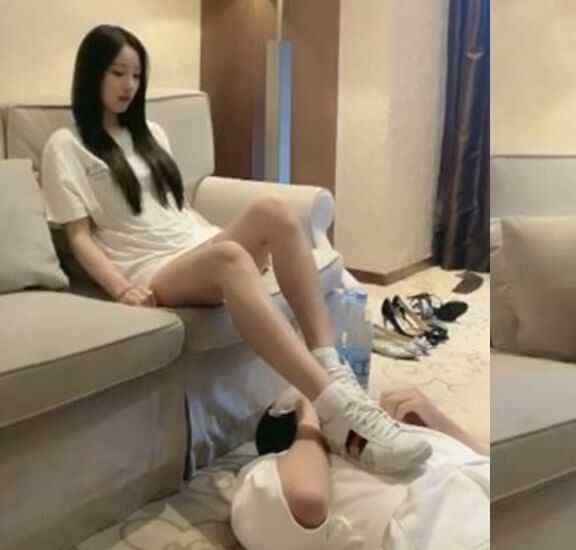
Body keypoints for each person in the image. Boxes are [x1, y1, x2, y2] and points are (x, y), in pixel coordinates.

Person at [40, 24, 430, 474]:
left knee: (274, 211)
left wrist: (223, 237)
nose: (129, 85)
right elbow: (79, 237)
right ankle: (335, 408)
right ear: (92, 73)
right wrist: (122, 289)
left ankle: (331, 366)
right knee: (230, 258)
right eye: (118, 73)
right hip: (152, 269)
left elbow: (177, 209)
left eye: (137, 75)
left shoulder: (152, 133)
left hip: (194, 245)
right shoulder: (66, 145)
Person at [229, 386, 490, 550]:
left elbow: (491, 464)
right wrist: (308, 409)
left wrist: (439, 424)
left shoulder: (387, 441)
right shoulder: (275, 469)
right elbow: (306, 499)